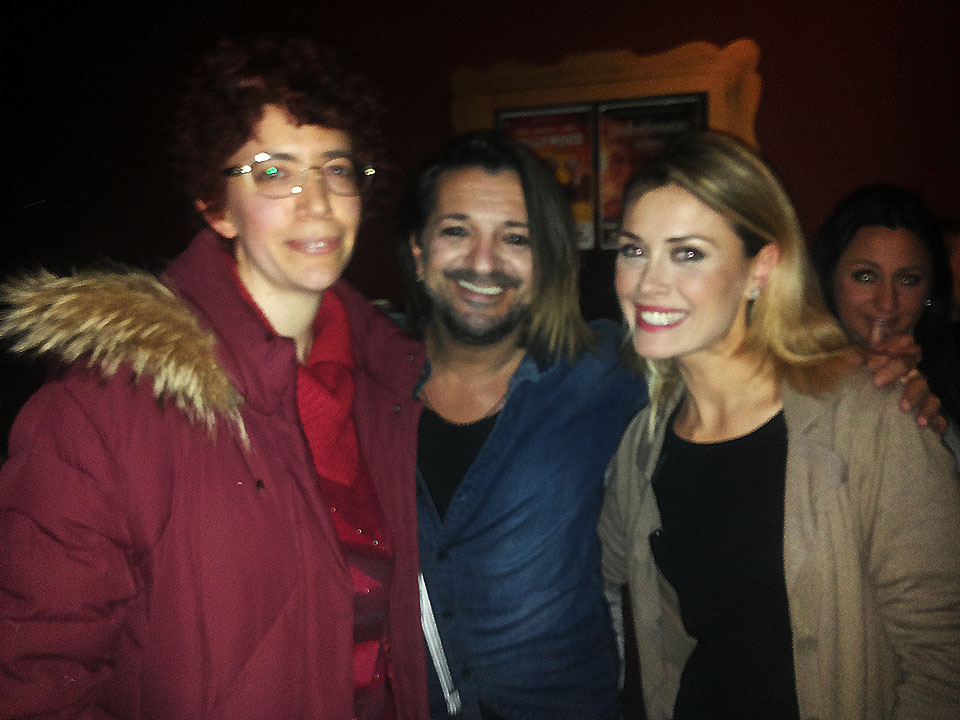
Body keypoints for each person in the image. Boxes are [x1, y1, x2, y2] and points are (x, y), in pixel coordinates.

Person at [0, 37, 428, 719]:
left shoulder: (391, 386)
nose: (317, 202)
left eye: (336, 168)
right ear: (215, 204)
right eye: (273, 171)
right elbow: (35, 680)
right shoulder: (106, 408)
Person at [598, 131, 960, 720]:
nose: (646, 284)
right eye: (634, 250)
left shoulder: (870, 418)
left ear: (760, 269)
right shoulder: (645, 442)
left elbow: (943, 660)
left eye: (687, 253)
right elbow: (595, 577)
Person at [398, 131, 649, 720]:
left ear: (548, 262)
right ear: (418, 253)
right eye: (456, 231)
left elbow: (733, 376)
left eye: (516, 238)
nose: (484, 262)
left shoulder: (603, 375)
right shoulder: (363, 387)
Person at [810, 185, 960, 462]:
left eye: (908, 280)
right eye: (866, 276)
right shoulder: (791, 370)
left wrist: (935, 435)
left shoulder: (948, 366)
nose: (887, 302)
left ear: (930, 289)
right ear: (828, 279)